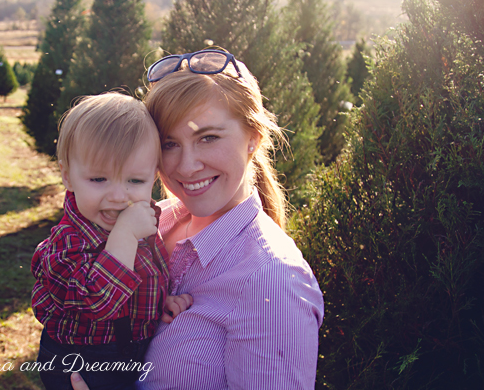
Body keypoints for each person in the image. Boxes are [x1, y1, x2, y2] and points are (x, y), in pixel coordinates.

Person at [70, 49, 324, 389]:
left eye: (208, 138)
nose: (187, 166)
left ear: (253, 138)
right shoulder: (153, 222)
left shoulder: (272, 280)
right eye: (169, 144)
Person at [31, 93, 193, 390]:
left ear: (154, 177)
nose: (119, 197)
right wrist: (125, 235)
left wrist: (160, 304)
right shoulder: (65, 246)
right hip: (83, 365)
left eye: (135, 181)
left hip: (130, 352)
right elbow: (98, 301)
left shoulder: (141, 221)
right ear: (68, 177)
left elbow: (142, 281)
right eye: (98, 179)